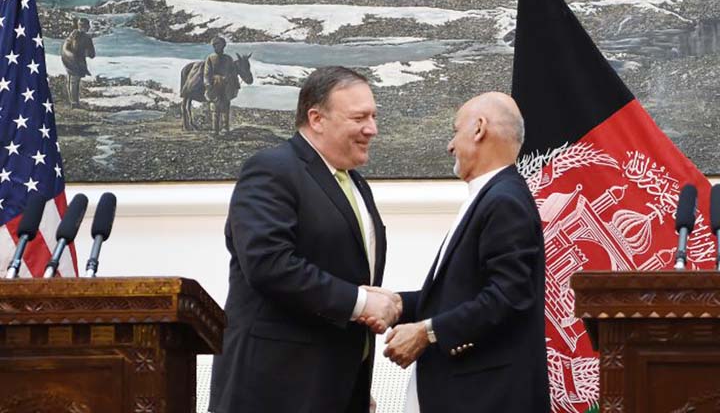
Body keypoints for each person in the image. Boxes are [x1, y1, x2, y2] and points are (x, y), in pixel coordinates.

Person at [209, 66, 401, 413]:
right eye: (359, 117)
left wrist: (349, 383)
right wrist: (360, 302)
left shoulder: (355, 183)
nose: (372, 129)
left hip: (334, 387)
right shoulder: (272, 170)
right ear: (316, 118)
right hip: (275, 389)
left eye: (373, 116)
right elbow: (269, 264)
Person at [381, 92, 550, 412]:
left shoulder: (504, 202)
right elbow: (462, 294)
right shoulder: (492, 196)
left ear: (478, 129)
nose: (449, 145)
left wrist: (426, 332)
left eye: (454, 130)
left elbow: (508, 297)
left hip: (486, 397)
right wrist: (400, 303)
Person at [203, 36, 240, 134]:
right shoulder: (210, 58)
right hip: (214, 85)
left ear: (223, 46)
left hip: (226, 86)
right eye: (214, 45)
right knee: (214, 107)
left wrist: (236, 84)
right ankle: (215, 129)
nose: (216, 47)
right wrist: (207, 84)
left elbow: (233, 72)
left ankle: (225, 128)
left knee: (225, 106)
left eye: (218, 45)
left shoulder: (228, 58)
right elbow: (207, 73)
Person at [60, 18, 95, 109]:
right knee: (72, 81)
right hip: (72, 61)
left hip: (79, 62)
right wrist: (70, 56)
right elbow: (66, 47)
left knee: (74, 81)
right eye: (85, 26)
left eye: (87, 26)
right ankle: (74, 103)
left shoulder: (87, 38)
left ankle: (74, 102)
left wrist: (86, 53)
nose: (87, 27)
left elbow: (92, 54)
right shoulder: (74, 35)